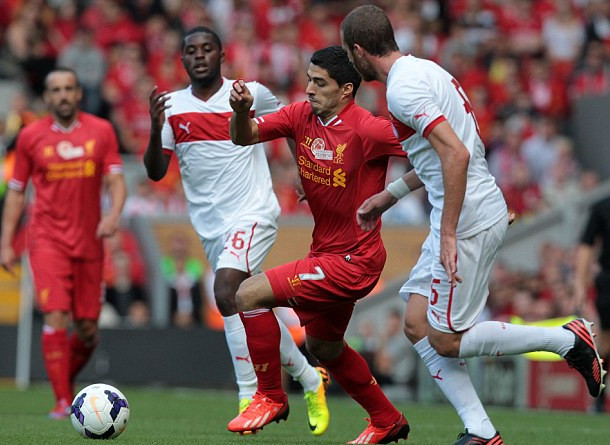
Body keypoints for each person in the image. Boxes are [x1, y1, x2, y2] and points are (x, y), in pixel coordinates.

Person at [341, 5, 606, 445]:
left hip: (465, 217)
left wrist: (448, 232)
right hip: (466, 208)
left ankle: (566, 340)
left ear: (358, 50)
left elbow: (456, 155)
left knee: (446, 340)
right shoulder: (427, 71)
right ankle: (481, 430)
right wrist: (391, 194)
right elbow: (450, 149)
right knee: (416, 322)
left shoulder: (402, 90)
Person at [143, 26, 330, 435]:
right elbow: (156, 172)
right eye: (191, 50)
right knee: (250, 303)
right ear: (182, 59)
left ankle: (250, 395)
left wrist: (306, 173)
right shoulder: (171, 107)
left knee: (226, 291)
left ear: (221, 54)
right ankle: (310, 379)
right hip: (211, 228)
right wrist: (154, 128)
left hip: (254, 211)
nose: (199, 55)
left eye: (207, 48)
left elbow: (293, 123)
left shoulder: (249, 93)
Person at [228, 46, 410, 444]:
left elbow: (440, 151)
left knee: (248, 294)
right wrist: (240, 111)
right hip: (326, 252)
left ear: (346, 90)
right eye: (309, 79)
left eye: (320, 83)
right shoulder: (300, 115)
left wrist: (392, 193)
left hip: (354, 260)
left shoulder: (369, 129)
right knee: (323, 347)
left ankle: (270, 396)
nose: (309, 89)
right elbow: (243, 137)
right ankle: (386, 419)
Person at [0, 67, 127, 418]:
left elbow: (116, 180)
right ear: (46, 97)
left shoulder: (101, 130)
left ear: (79, 93)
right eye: (55, 90)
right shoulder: (30, 136)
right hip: (47, 239)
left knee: (87, 329)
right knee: (55, 314)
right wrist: (6, 242)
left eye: (69, 88)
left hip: (90, 241)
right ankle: (62, 402)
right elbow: (16, 192)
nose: (63, 95)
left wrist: (113, 214)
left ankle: (64, 385)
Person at [575, 196, 610, 413]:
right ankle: (598, 395)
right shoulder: (602, 206)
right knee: (607, 341)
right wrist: (580, 284)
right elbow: (586, 245)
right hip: (609, 281)